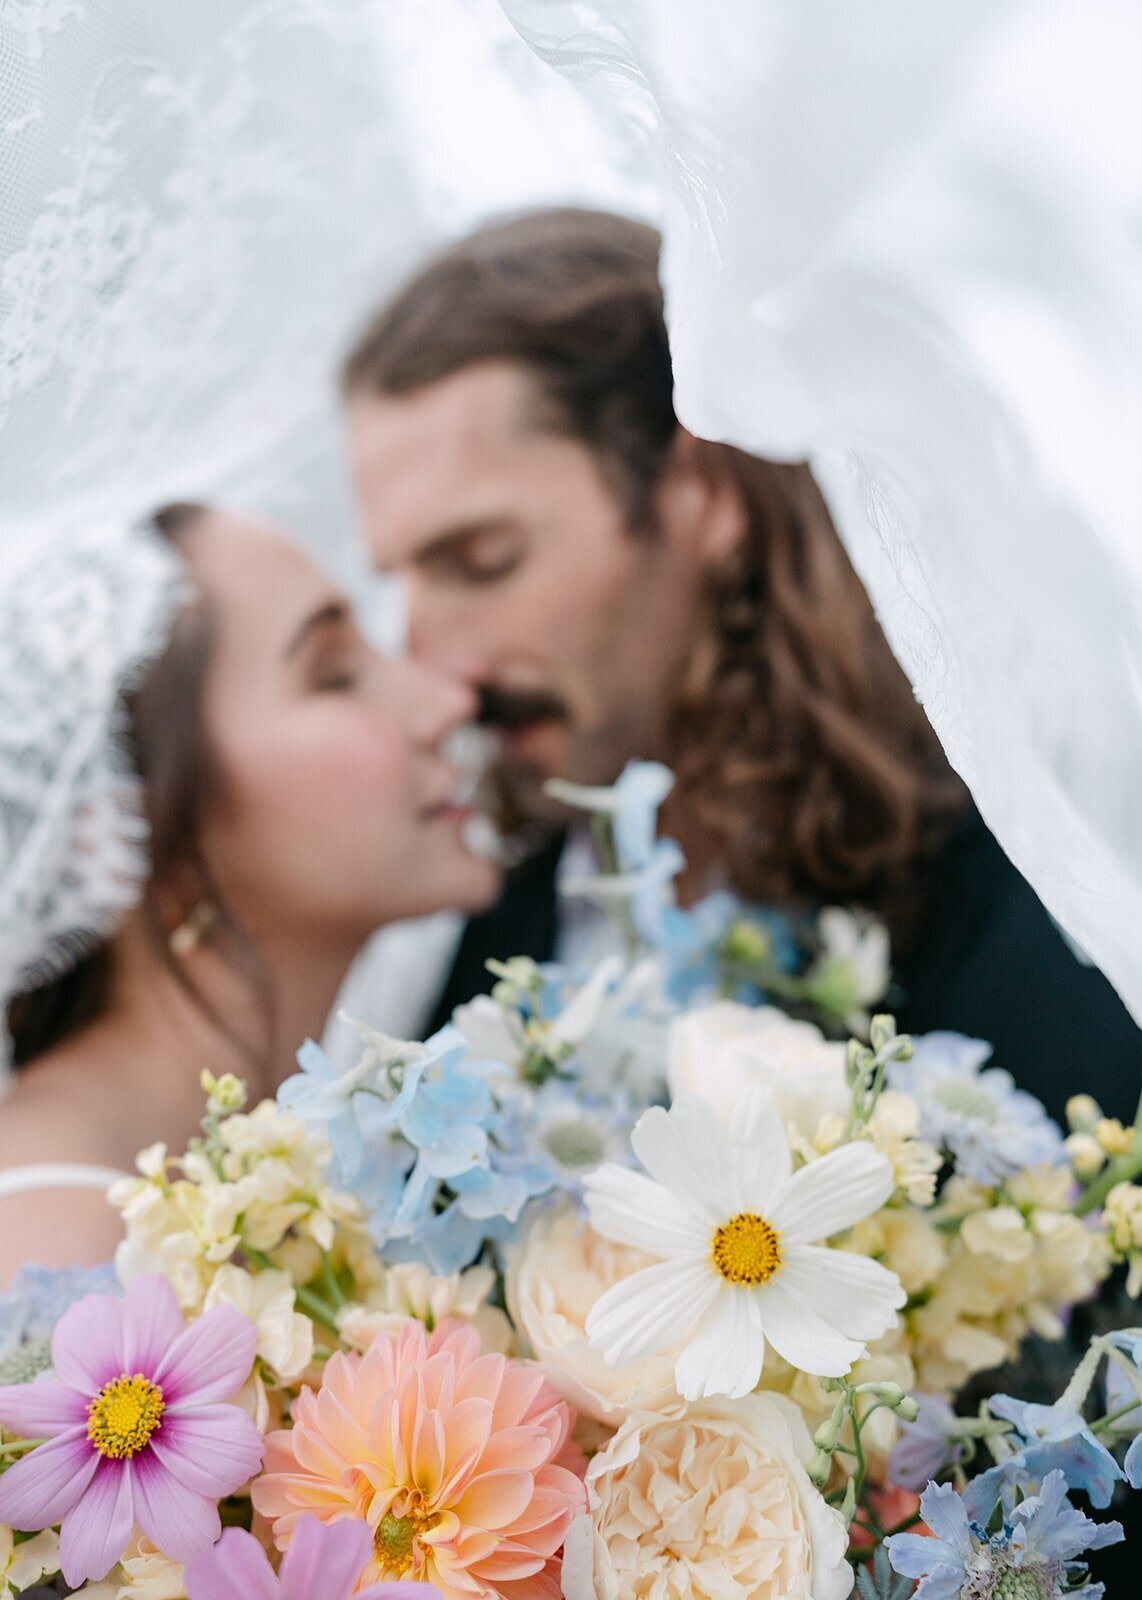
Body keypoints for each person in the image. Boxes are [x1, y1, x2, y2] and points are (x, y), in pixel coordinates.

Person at [340, 206, 1141, 1126]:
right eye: (399, 586)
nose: (435, 665)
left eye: (484, 560)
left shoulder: (1027, 886)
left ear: (704, 491)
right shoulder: (487, 929)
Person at [0, 506, 499, 1284]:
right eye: (336, 674)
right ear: (152, 831)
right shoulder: (58, 1259)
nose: (446, 701)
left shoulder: (279, 1167)